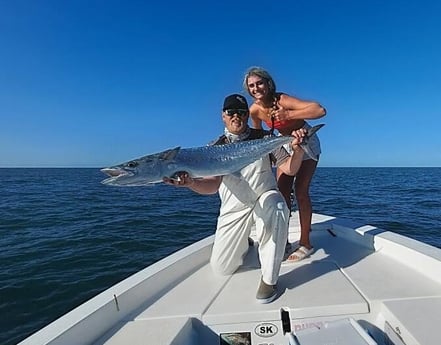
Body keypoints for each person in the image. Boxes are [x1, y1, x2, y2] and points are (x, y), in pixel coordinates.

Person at [164, 94, 307, 304]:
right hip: (235, 207)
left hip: (263, 198)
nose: (236, 116)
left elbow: (289, 168)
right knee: (222, 268)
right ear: (223, 116)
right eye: (231, 112)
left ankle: (269, 280)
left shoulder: (266, 139)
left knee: (277, 206)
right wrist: (191, 183)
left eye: (241, 112)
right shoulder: (213, 148)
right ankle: (247, 243)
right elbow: (212, 185)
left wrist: (298, 149)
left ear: (247, 115)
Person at [243, 67, 326, 262]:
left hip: (305, 140)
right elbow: (257, 136)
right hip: (282, 144)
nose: (256, 88)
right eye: (251, 86)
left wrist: (288, 115)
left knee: (301, 191)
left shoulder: (282, 100)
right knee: (281, 193)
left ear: (268, 83)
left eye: (259, 83)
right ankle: (283, 240)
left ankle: (305, 242)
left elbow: (319, 110)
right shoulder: (254, 110)